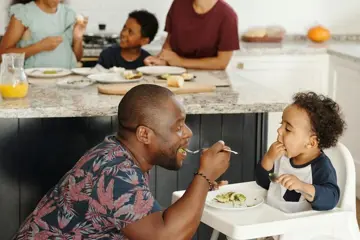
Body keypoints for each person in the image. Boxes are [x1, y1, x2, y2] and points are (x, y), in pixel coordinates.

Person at [12, 84, 231, 239]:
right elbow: (167, 236)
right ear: (144, 135)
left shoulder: (117, 153)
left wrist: (202, 187)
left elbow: (148, 222)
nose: (188, 133)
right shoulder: (114, 171)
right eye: (178, 126)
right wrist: (204, 176)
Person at [255, 92, 346, 240]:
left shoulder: (321, 167)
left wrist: (302, 186)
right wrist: (268, 159)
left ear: (311, 143)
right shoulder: (281, 156)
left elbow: (330, 198)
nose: (279, 131)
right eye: (281, 125)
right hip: (271, 225)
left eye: (288, 129)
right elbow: (266, 182)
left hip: (300, 232)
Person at [145, 0, 239, 70]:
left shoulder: (228, 16)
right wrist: (161, 60)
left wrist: (181, 62)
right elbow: (170, 42)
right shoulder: (178, 4)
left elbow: (222, 63)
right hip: (176, 73)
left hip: (209, 76)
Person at [0, 0, 87, 69]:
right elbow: (3, 55)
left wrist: (77, 39)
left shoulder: (69, 14)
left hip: (66, 81)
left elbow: (77, 58)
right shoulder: (23, 13)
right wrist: (39, 47)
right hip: (34, 83)